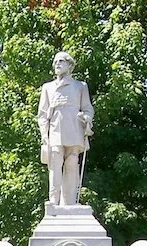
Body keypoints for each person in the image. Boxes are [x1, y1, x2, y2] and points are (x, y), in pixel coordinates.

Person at [37, 51, 94, 206]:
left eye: (61, 61)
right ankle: (53, 201)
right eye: (55, 62)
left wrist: (87, 118)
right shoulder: (47, 87)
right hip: (55, 129)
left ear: (70, 65)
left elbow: (88, 108)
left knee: (71, 163)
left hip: (74, 129)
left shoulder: (80, 86)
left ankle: (69, 202)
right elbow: (42, 114)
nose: (57, 64)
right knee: (55, 163)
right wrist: (44, 134)